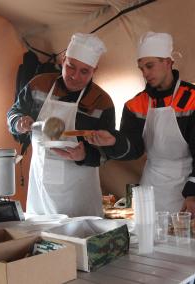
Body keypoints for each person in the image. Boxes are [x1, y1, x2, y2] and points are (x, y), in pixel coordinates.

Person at [87, 31, 195, 217]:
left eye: (150, 66)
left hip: (190, 187)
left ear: (168, 62)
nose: (145, 73)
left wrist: (194, 195)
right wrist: (113, 141)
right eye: (141, 68)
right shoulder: (135, 105)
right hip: (153, 188)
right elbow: (134, 148)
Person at [7, 33, 115, 217]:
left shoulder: (101, 101)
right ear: (63, 60)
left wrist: (85, 154)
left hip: (79, 192)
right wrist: (18, 122)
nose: (75, 76)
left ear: (94, 70)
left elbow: (107, 152)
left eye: (84, 71)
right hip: (42, 187)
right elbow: (13, 112)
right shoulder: (39, 85)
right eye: (71, 67)